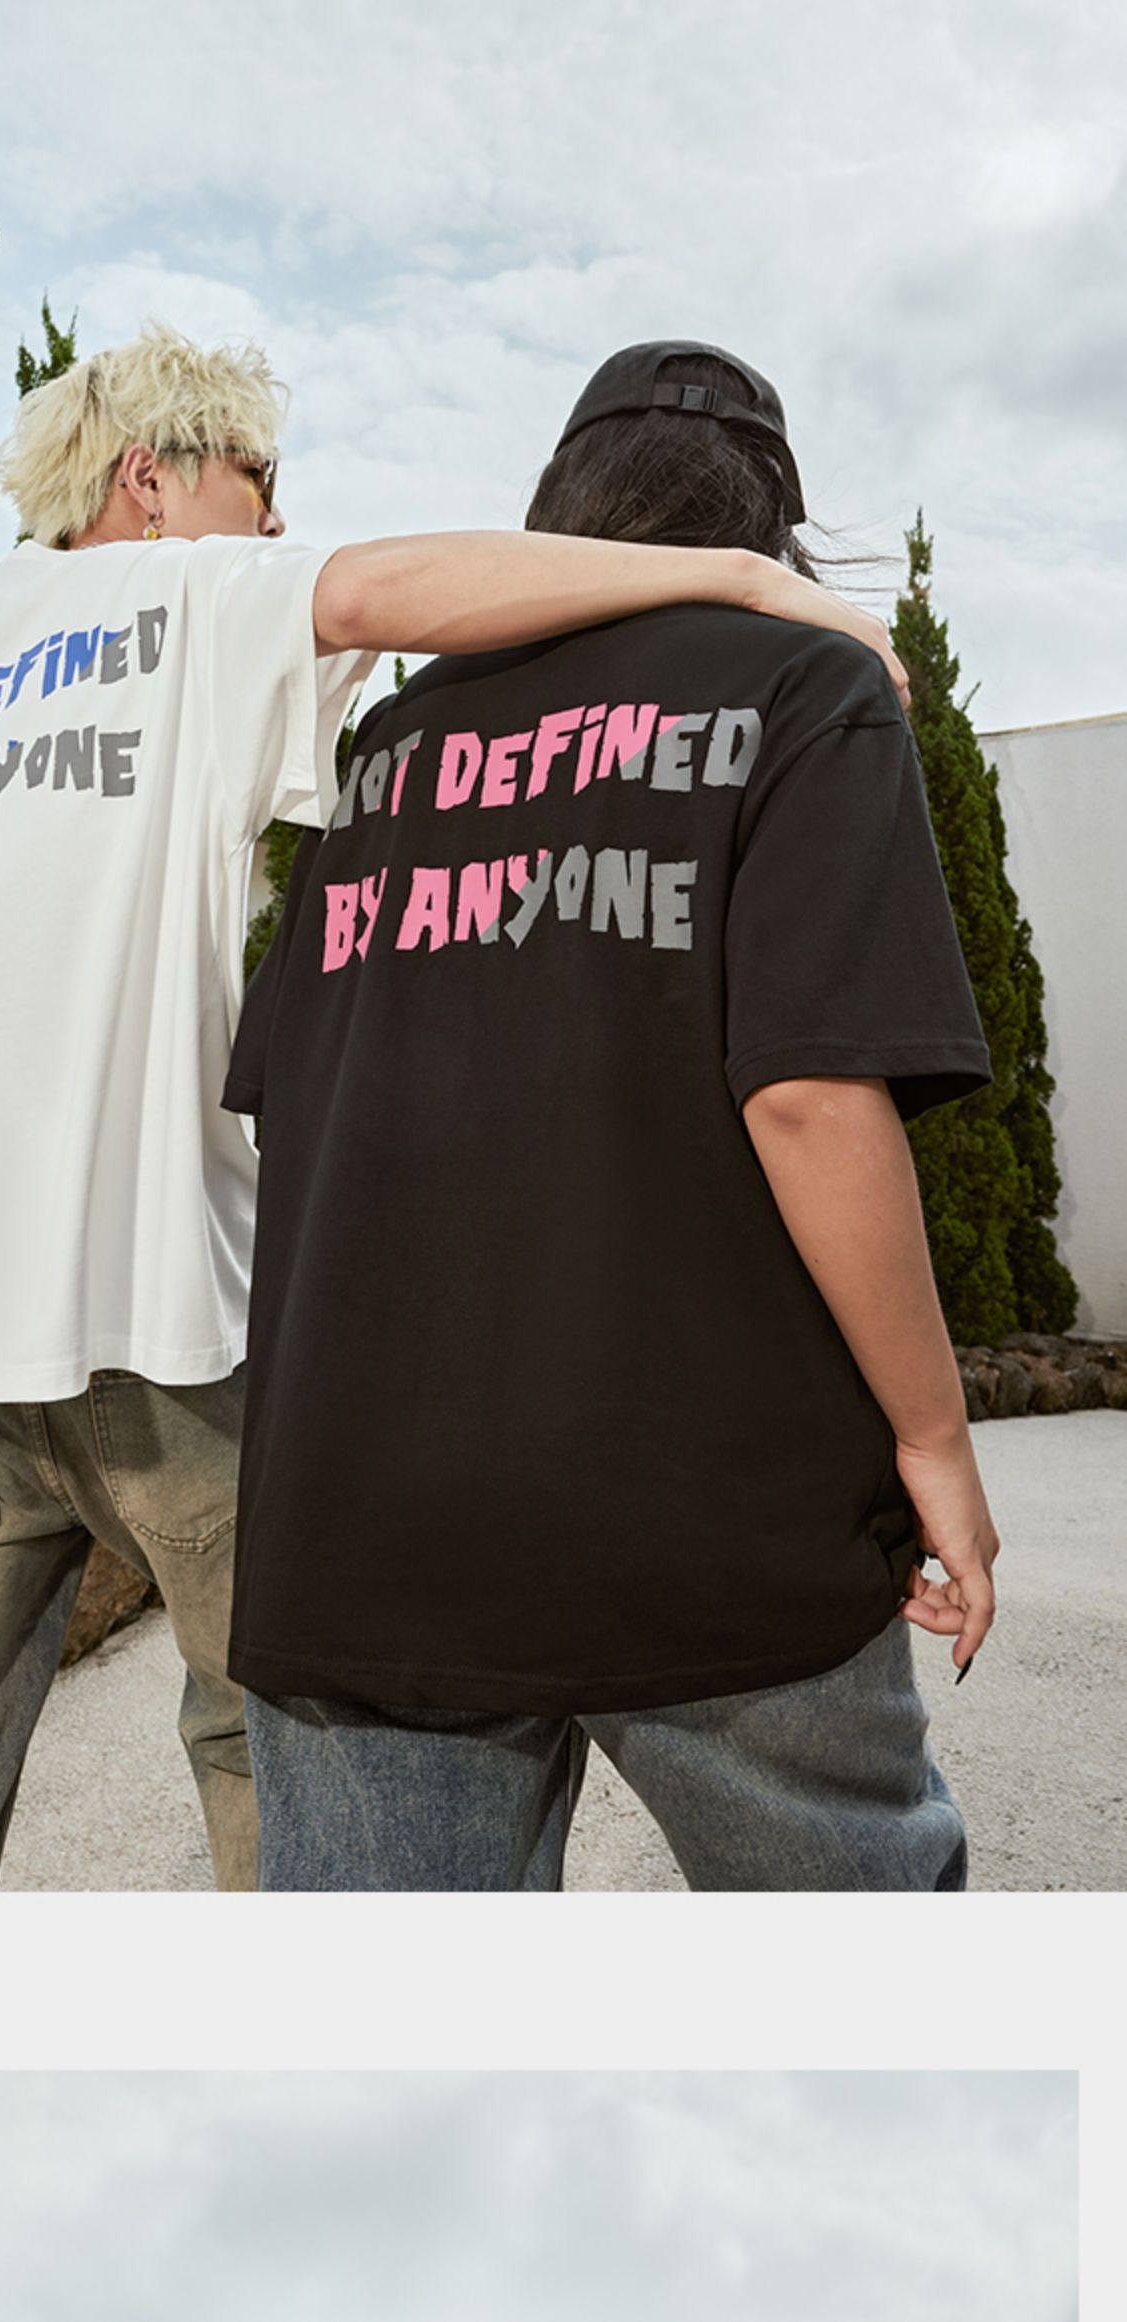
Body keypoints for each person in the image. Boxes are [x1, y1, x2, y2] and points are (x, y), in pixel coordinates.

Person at [0, 322, 912, 1892]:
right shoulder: (187, 598)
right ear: (148, 478)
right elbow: (397, 587)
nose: (276, 517)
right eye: (258, 477)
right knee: (297, 1745)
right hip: (151, 1327)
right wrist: (738, 579)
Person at [223, 339, 1001, 1893]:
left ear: (560, 501)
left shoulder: (393, 741)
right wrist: (934, 1436)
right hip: (716, 1514)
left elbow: (287, 1111)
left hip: (367, 1528)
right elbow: (808, 1098)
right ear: (769, 525)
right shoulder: (806, 682)